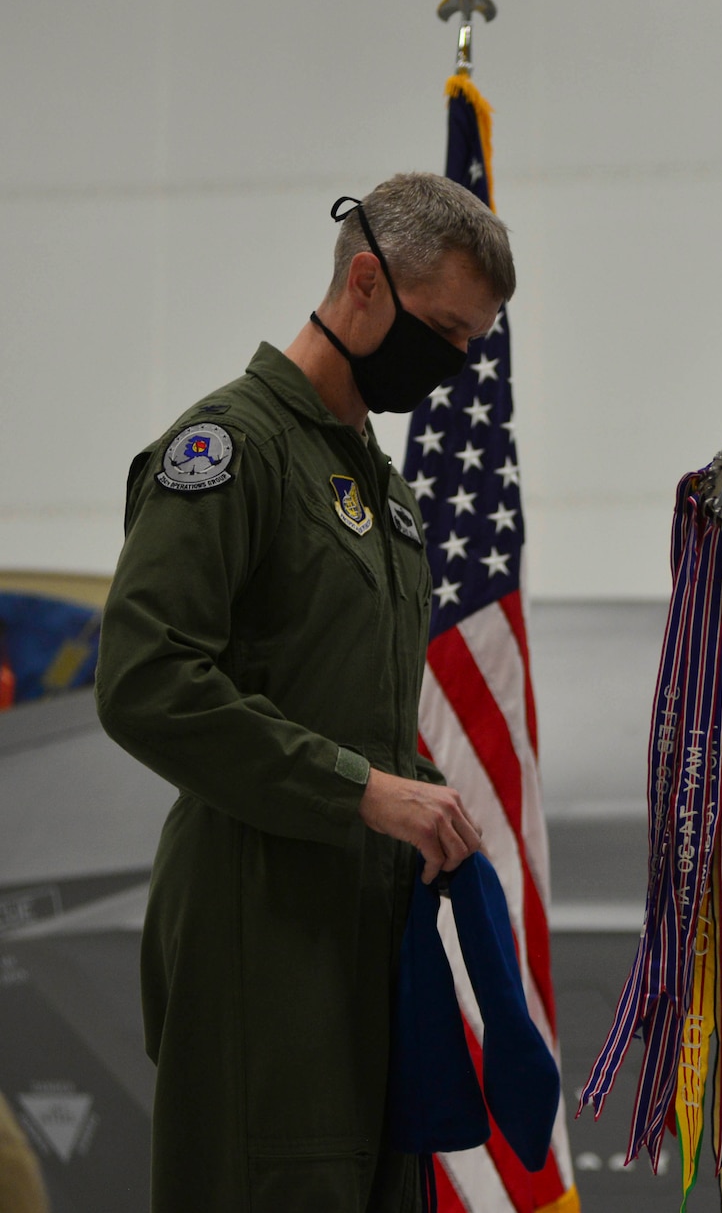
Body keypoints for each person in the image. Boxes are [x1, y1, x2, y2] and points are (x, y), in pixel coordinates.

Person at [96, 173, 512, 1212]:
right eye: (445, 332)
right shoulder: (229, 453)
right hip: (259, 943)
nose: (457, 365)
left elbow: (343, 705)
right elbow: (147, 682)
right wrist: (363, 792)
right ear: (364, 282)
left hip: (368, 949)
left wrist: (419, 794)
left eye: (474, 343)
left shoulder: (387, 492)